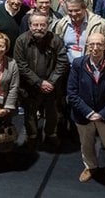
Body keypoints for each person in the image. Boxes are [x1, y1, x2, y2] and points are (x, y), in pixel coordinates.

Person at [66, 31, 105, 191]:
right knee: (86, 144)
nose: (95, 48)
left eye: (99, 44)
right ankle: (91, 166)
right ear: (87, 46)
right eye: (92, 44)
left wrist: (102, 113)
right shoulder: (78, 64)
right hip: (83, 115)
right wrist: (89, 113)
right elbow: (72, 93)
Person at [14, 10, 68, 147]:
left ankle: (51, 133)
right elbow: (20, 64)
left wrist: (51, 82)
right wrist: (38, 82)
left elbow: (63, 62)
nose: (39, 28)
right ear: (29, 25)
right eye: (35, 25)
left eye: (42, 25)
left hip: (52, 85)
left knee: (52, 113)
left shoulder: (56, 40)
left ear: (48, 24)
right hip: (29, 85)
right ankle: (32, 135)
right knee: (30, 114)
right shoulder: (21, 40)